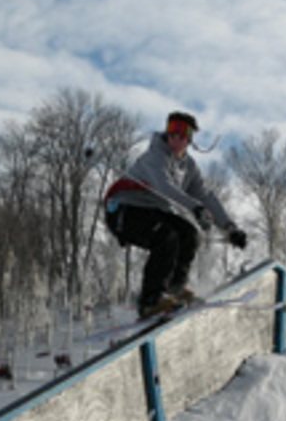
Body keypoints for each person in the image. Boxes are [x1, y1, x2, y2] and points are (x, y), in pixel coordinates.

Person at [104, 111, 247, 318]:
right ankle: (150, 300)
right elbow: (164, 187)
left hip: (152, 212)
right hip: (123, 210)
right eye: (172, 132)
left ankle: (174, 288)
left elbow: (206, 196)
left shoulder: (188, 167)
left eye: (182, 135)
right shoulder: (155, 156)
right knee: (166, 236)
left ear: (189, 139)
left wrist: (229, 228)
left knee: (189, 234)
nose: (176, 138)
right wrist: (195, 208)